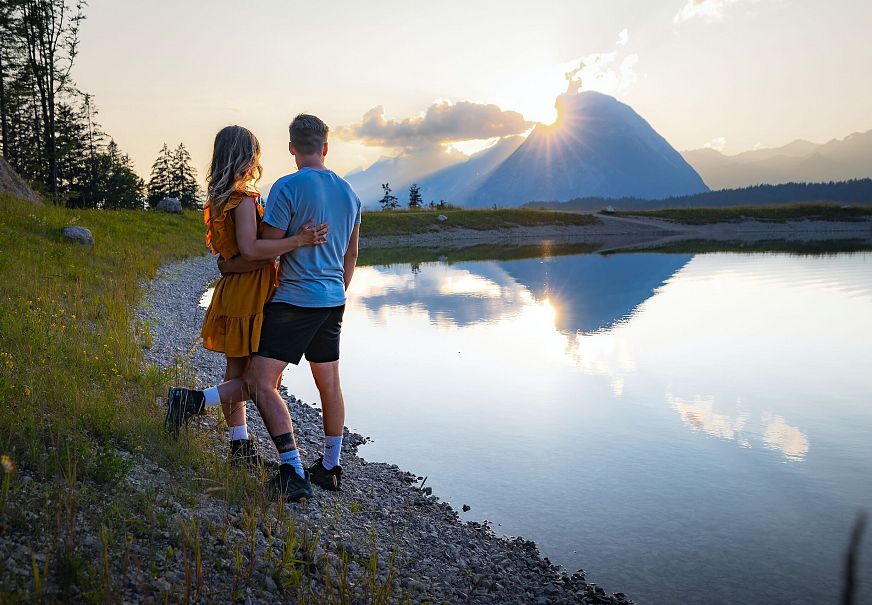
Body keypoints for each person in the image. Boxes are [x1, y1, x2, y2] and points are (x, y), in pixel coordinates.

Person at [166, 114, 361, 501]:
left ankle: (290, 467)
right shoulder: (350, 193)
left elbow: (263, 247)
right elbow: (351, 254)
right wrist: (337, 291)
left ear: (292, 148)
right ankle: (331, 467)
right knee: (329, 383)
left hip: (293, 300)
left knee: (259, 381)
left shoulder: (286, 187)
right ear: (325, 147)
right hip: (332, 300)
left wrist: (236, 263)